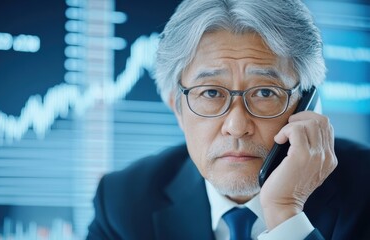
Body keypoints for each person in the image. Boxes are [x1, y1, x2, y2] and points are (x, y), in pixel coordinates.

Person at [86, 0, 370, 239]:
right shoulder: (122, 203)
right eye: (211, 92)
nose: (236, 126)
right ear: (177, 107)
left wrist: (286, 214)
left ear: (305, 106)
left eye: (264, 92)